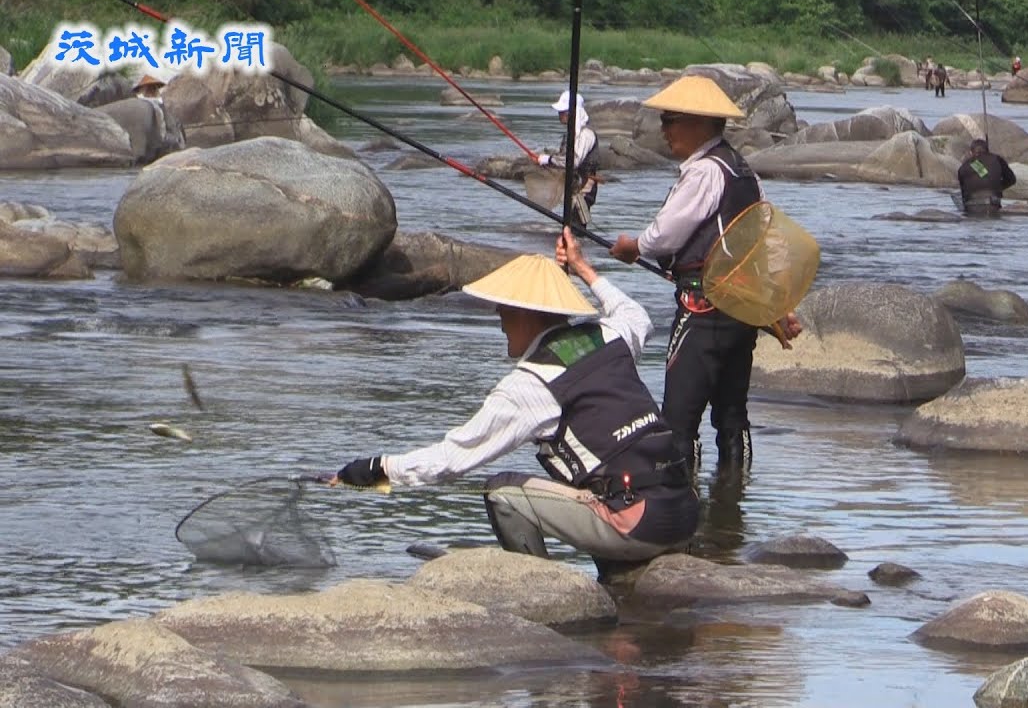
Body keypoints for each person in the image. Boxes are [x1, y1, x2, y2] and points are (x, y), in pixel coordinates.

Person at [333, 228, 698, 581]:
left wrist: (373, 470)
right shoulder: (609, 335)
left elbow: (451, 460)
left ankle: (543, 588)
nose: (498, 319)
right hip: (684, 508)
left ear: (525, 313)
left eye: (503, 309)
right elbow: (636, 315)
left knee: (503, 493)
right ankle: (618, 577)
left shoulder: (529, 385)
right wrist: (583, 267)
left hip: (641, 524)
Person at [607, 75, 802, 477]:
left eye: (670, 120)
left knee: (679, 419)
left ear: (698, 123)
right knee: (732, 416)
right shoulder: (744, 172)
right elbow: (769, 240)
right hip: (742, 313)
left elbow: (665, 234)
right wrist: (780, 305)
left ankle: (681, 505)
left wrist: (634, 247)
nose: (663, 130)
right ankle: (733, 504)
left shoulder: (704, 173)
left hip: (703, 310)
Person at [535, 89, 600, 225]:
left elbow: (574, 161)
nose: (560, 114)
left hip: (584, 188)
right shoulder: (570, 134)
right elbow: (564, 158)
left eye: (563, 112)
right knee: (569, 224)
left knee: (577, 225)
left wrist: (548, 159)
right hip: (573, 186)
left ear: (572, 113)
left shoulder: (586, 135)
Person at [957, 139, 1017, 217]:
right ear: (987, 150)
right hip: (993, 206)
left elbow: (964, 193)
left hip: (972, 209)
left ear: (971, 152)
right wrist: (998, 187)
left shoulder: (963, 167)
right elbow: (1012, 180)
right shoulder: (997, 159)